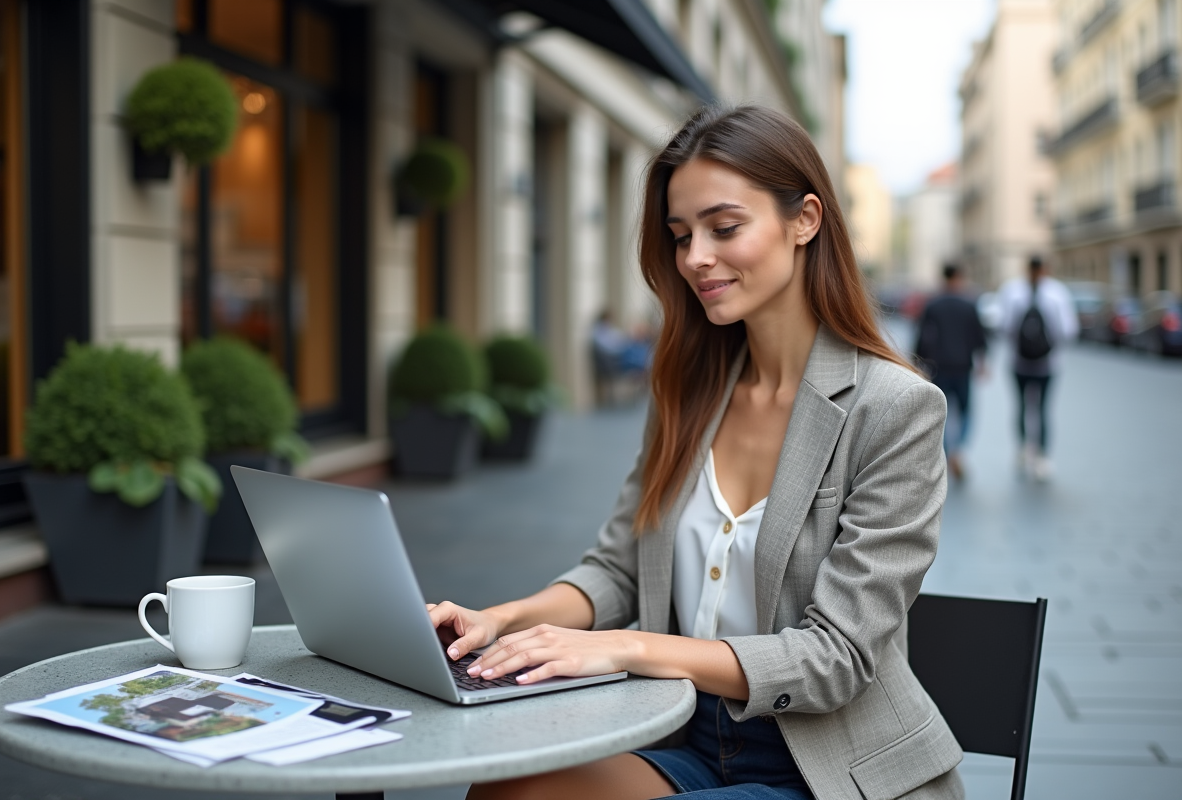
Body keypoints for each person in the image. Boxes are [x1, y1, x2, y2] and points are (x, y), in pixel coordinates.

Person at [429, 105, 964, 800]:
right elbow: (619, 572)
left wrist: (626, 647)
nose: (695, 258)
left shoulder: (894, 408)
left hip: (825, 768)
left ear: (804, 220)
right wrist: (499, 620)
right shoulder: (690, 392)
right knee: (507, 789)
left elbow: (837, 658)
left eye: (725, 227)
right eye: (681, 236)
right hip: (685, 738)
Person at [998, 256, 1078, 481]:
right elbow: (1069, 330)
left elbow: (1003, 326)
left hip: (1018, 361)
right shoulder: (1057, 293)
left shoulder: (1012, 291)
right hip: (1048, 363)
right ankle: (1041, 455)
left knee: (1022, 406)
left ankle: (1023, 449)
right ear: (1045, 269)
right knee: (1042, 409)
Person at [914, 263, 988, 480]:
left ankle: (947, 452)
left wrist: (917, 363)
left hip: (938, 367)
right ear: (959, 277)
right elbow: (979, 336)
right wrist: (983, 362)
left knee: (942, 413)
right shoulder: (969, 304)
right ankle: (959, 450)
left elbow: (922, 336)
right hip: (963, 366)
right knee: (965, 412)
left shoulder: (933, 304)